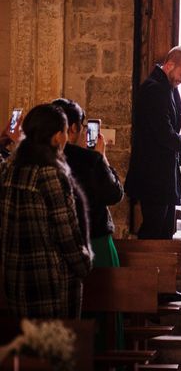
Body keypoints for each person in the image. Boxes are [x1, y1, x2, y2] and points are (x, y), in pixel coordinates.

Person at [0, 104, 92, 318]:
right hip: (50, 280)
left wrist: (4, 141)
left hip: (15, 278)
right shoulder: (50, 175)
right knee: (54, 347)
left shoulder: (8, 170)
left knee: (28, 346)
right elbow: (66, 234)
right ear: (57, 137)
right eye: (64, 132)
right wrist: (83, 264)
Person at [52, 98, 125, 350]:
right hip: (94, 241)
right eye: (81, 127)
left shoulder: (34, 161)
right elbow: (114, 194)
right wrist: (102, 158)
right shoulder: (89, 160)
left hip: (52, 249)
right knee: (102, 310)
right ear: (72, 129)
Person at [125, 46, 181, 239]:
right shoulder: (154, 89)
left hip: (163, 173)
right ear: (170, 65)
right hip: (153, 174)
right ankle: (148, 269)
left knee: (164, 231)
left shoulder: (167, 86)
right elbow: (163, 132)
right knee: (153, 231)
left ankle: (160, 268)